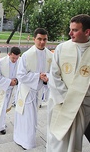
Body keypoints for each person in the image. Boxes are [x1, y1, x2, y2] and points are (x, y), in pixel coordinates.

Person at [46, 14, 90, 152]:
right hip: (60, 103)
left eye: (75, 30)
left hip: (83, 106)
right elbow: (54, 75)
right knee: (57, 141)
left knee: (73, 143)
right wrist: (68, 100)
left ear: (87, 32)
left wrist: (77, 100)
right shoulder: (62, 48)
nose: (70, 33)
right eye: (70, 29)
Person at [14, 28, 53, 150]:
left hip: (38, 91)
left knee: (32, 118)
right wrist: (38, 76)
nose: (42, 42)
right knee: (27, 118)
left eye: (44, 39)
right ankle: (27, 142)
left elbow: (53, 73)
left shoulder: (50, 55)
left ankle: (23, 138)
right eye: (39, 39)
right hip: (27, 92)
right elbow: (20, 75)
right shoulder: (27, 55)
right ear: (34, 39)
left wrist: (47, 77)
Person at [0, 47, 20, 135]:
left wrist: (17, 81)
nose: (15, 60)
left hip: (12, 90)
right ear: (9, 54)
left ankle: (2, 124)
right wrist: (9, 82)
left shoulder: (20, 62)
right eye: (13, 58)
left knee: (5, 109)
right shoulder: (1, 62)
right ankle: (0, 127)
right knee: (0, 109)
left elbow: (22, 74)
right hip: (2, 89)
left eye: (17, 58)